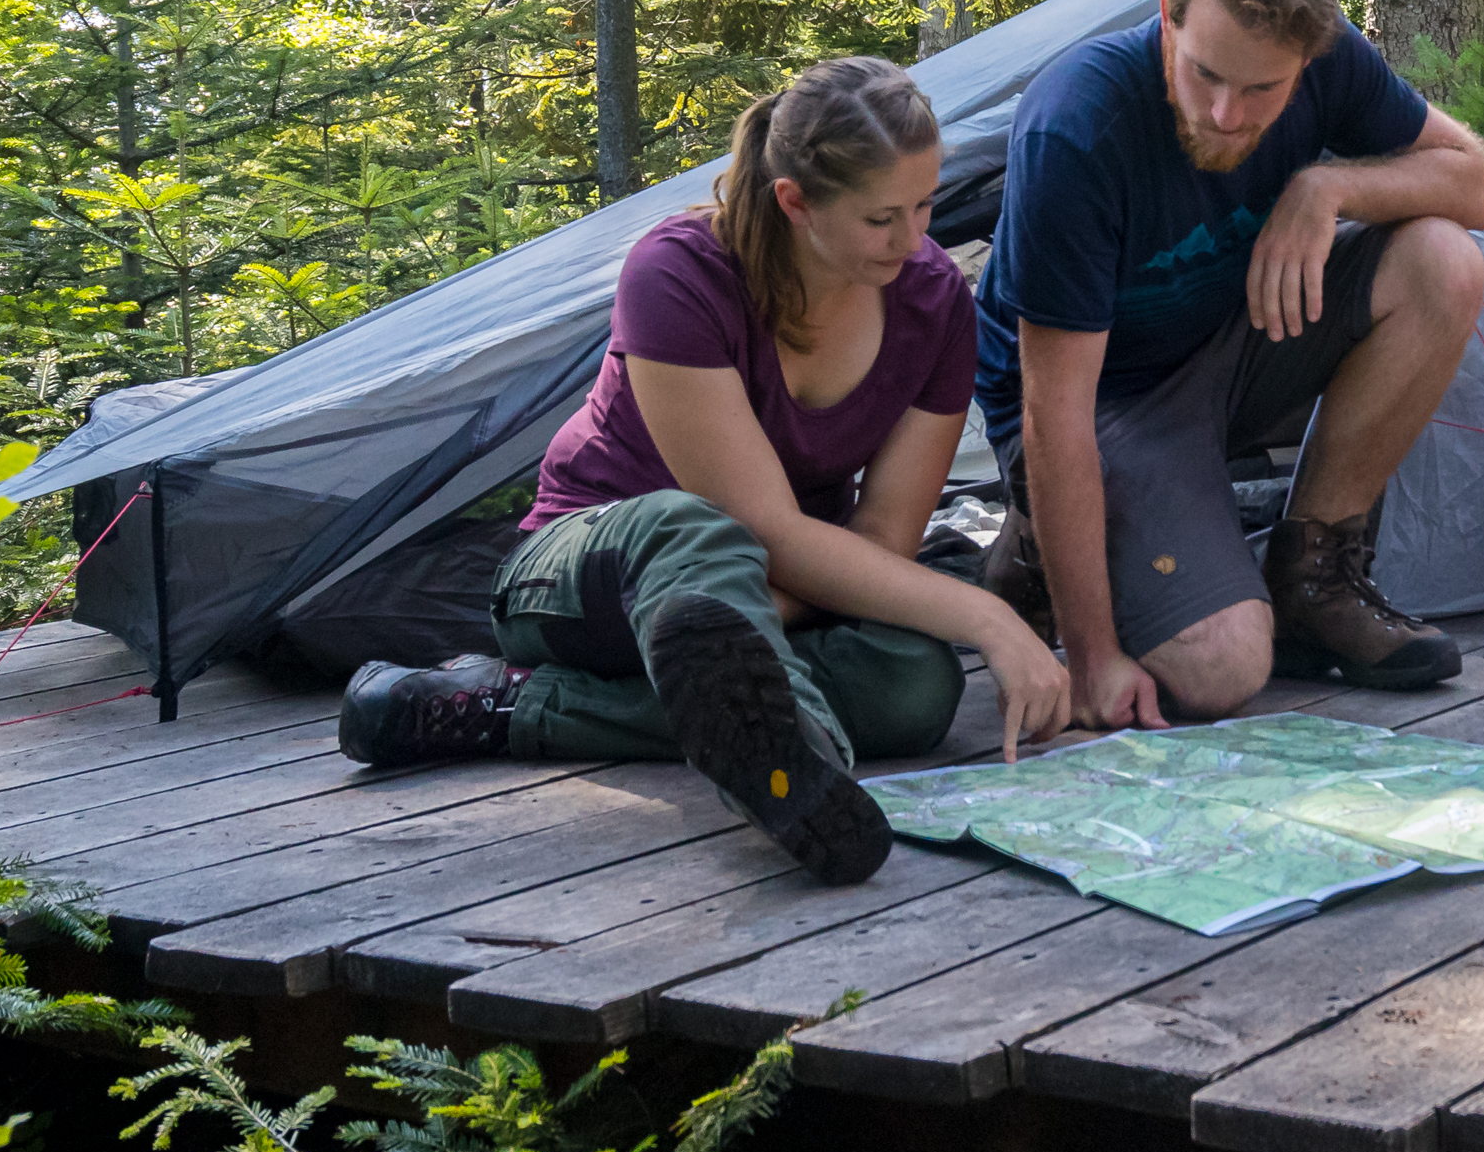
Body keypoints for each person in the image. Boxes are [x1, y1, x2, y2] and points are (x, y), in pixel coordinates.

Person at [335, 57, 1069, 885]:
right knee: (694, 525)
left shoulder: (933, 302)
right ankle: (802, 767)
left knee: (914, 685)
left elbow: (885, 538)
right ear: (795, 202)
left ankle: (518, 705)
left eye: (925, 204)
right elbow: (764, 527)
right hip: (584, 572)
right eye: (881, 217)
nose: (913, 238)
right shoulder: (678, 272)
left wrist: (751, 607)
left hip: (755, 590)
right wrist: (990, 616)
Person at [976, 0, 1484, 727]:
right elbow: (1054, 414)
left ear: (1308, 59)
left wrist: (1328, 185)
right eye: (1205, 74)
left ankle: (1313, 579)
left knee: (1443, 260)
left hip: (1230, 338)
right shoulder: (1075, 123)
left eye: (1263, 89)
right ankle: (1041, 541)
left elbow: (1472, 185)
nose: (1226, 115)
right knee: (1222, 667)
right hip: (1103, 399)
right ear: (1167, 14)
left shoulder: (1331, 60)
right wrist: (1094, 656)